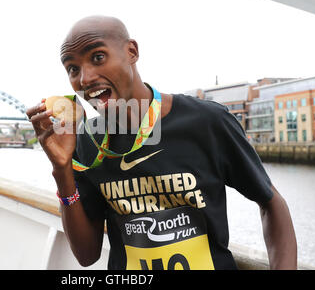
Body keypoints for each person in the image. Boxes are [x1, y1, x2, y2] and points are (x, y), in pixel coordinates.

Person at [26, 15, 297, 270]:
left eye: (98, 57)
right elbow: (87, 256)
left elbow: (271, 202)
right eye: (72, 68)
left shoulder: (206, 121)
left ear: (131, 51)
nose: (84, 78)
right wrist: (62, 170)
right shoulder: (87, 140)